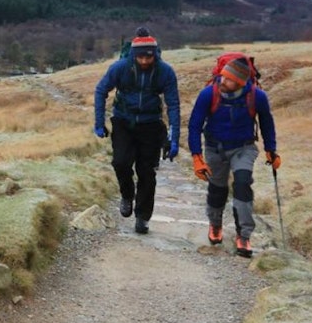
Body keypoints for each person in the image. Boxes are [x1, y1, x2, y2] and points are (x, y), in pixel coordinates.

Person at [187, 54, 280, 258]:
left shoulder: (257, 97)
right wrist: (196, 156)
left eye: (229, 79)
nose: (223, 81)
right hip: (214, 148)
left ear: (240, 83)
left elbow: (267, 123)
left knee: (242, 184)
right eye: (222, 76)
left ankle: (244, 236)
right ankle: (215, 225)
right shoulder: (208, 94)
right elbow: (194, 125)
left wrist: (271, 150)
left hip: (244, 148)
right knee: (217, 189)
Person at [93, 28, 181, 234]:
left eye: (148, 57)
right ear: (133, 55)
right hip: (124, 121)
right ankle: (126, 194)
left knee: (147, 172)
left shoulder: (165, 72)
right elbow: (100, 90)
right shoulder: (120, 68)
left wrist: (173, 137)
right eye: (140, 57)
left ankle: (142, 217)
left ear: (154, 54)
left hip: (151, 124)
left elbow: (173, 104)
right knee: (120, 162)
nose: (144, 61)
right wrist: (99, 122)